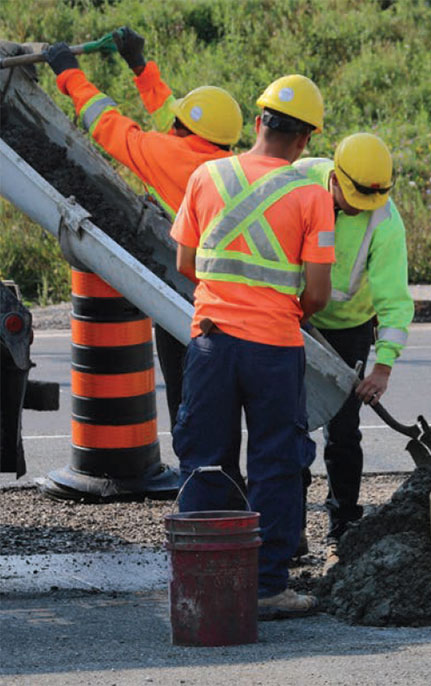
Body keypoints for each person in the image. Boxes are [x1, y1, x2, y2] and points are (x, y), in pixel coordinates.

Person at [170, 74, 335, 619]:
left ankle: (203, 580)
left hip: (211, 344)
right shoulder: (312, 194)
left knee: (206, 463)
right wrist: (279, 307)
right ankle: (266, 589)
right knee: (276, 464)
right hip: (273, 347)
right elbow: (316, 292)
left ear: (259, 121)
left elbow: (185, 264)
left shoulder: (205, 175)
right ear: (305, 141)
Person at [44, 27, 242, 428]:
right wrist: (140, 66)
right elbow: (172, 113)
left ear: (184, 131)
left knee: (188, 398)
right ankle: (228, 480)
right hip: (238, 300)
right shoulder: (229, 165)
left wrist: (69, 75)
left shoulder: (166, 155)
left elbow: (107, 124)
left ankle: (198, 480)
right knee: (226, 401)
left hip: (190, 293)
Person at [294, 133, 413, 566]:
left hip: (348, 330)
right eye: (352, 197)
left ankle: (343, 525)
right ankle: (291, 529)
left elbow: (394, 302)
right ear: (334, 176)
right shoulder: (299, 178)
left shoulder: (385, 221)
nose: (361, 208)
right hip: (293, 320)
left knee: (343, 434)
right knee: (291, 427)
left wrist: (382, 368)